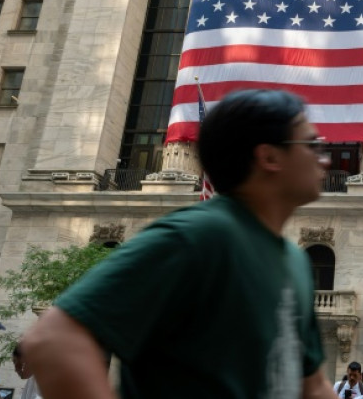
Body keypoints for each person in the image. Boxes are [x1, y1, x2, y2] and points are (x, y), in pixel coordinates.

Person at [21, 89, 337, 399]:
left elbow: (313, 386)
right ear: (269, 156)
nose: (324, 159)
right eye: (312, 145)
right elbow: (54, 339)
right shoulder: (197, 237)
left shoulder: (294, 260)